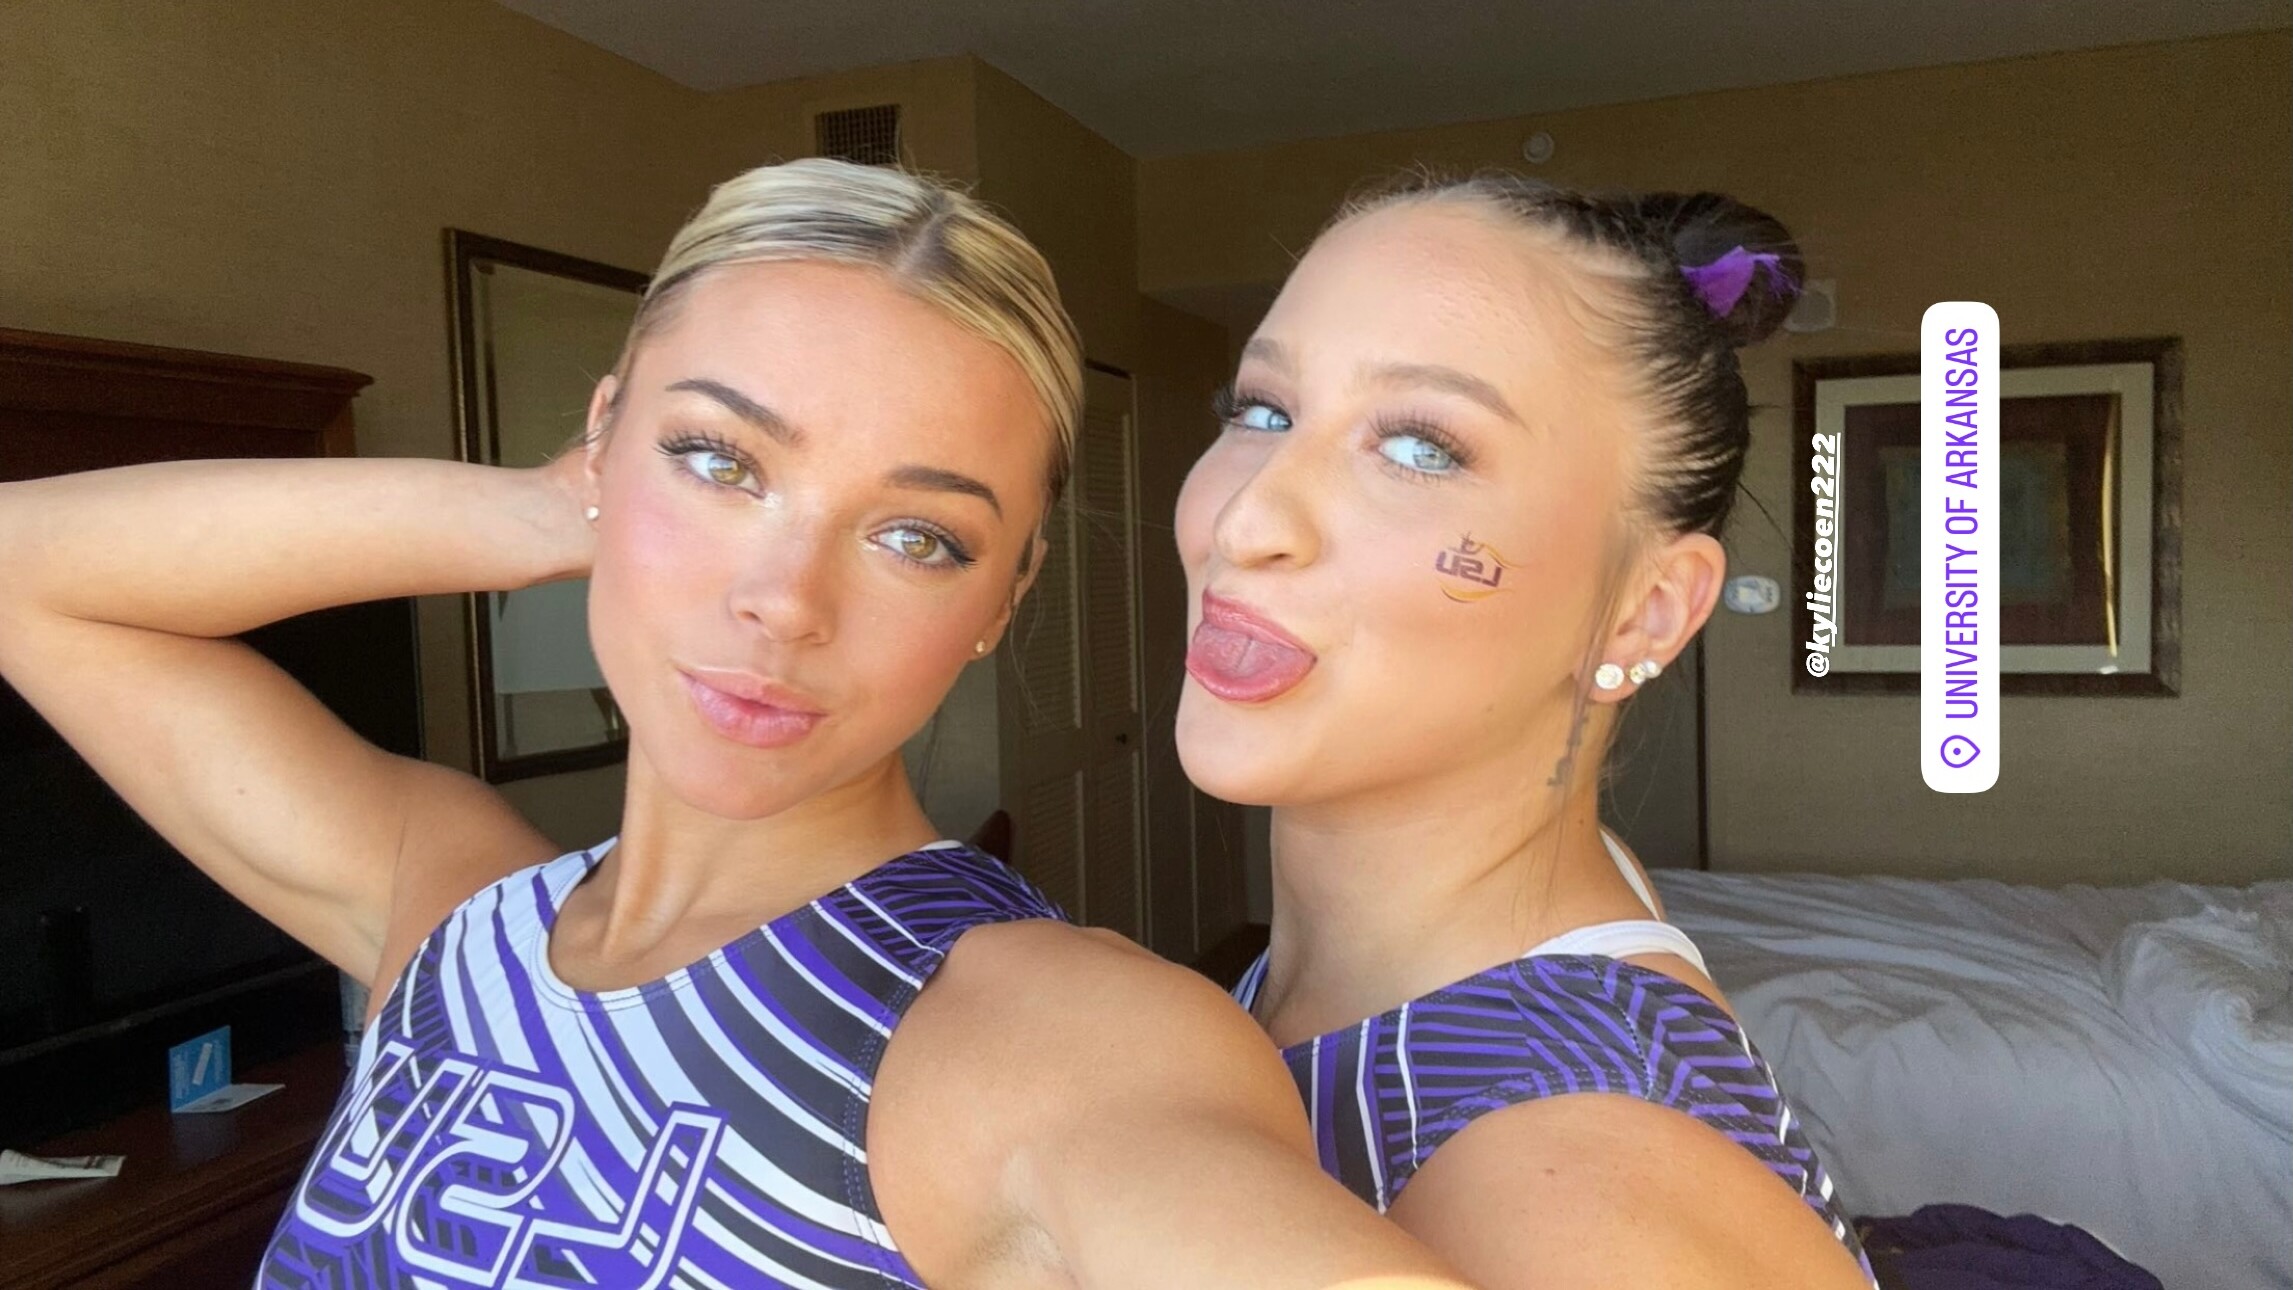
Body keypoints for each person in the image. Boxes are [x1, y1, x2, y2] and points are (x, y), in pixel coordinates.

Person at [0, 159, 1465, 1290]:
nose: (784, 599)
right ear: (603, 435)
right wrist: (545, 508)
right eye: (717, 459)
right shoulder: (444, 910)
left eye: (918, 537)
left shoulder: (1045, 1039)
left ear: (1004, 598)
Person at [1173, 173, 1879, 1289]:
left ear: (1644, 612)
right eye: (1262, 410)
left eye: (1421, 448)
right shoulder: (1526, 896)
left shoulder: (1568, 1207)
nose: (1243, 518)